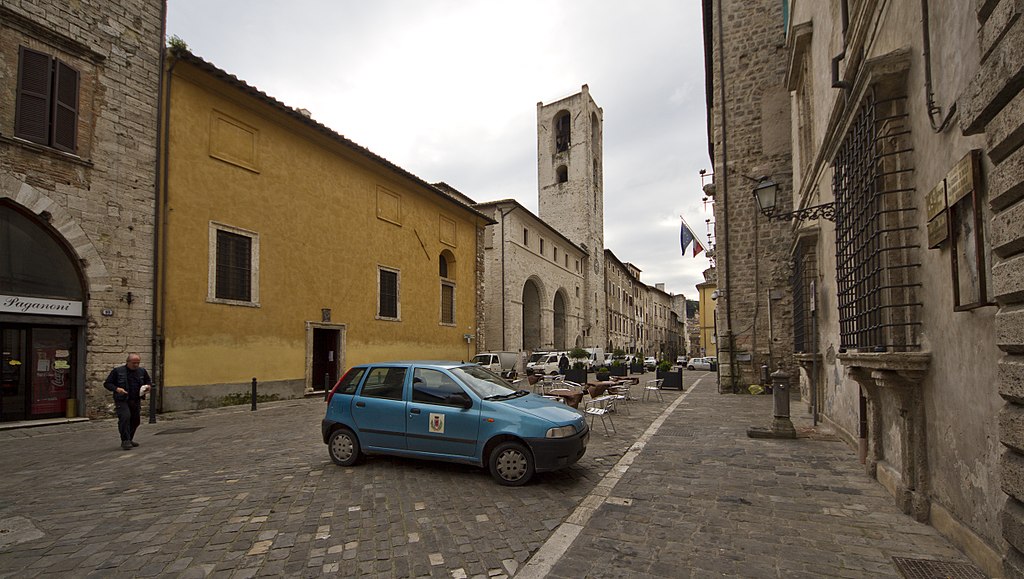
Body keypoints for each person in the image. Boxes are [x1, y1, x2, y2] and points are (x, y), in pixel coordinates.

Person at [103, 353, 153, 450]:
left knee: (136, 420)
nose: (136, 365)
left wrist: (148, 387)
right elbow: (107, 383)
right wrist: (117, 389)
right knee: (125, 417)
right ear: (128, 362)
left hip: (135, 399)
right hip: (122, 399)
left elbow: (148, 381)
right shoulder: (118, 371)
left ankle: (129, 438)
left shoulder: (142, 371)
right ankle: (125, 440)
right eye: (134, 363)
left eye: (138, 363)